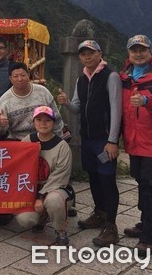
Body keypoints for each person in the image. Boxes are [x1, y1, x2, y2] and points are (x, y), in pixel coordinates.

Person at [57, 40, 122, 246]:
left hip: (104, 140)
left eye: (91, 53)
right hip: (87, 138)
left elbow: (116, 111)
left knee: (107, 180)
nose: (87, 57)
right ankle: (100, 213)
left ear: (99, 53)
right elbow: (76, 108)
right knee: (93, 177)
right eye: (83, 54)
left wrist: (113, 141)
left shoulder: (110, 76)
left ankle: (111, 226)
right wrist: (66, 102)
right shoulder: (81, 79)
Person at [119, 35, 152, 256]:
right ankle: (146, 222)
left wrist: (146, 100)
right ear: (129, 54)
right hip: (133, 142)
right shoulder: (124, 79)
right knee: (141, 182)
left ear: (150, 52)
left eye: (142, 50)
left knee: (150, 187)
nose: (138, 54)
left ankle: (150, 235)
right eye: (134, 50)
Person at [16, 106, 73, 246]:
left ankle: (61, 230)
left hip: (56, 189)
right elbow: (18, 165)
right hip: (32, 190)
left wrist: (40, 196)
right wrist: (32, 154)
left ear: (53, 123)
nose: (43, 123)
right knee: (25, 220)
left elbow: (60, 176)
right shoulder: (28, 140)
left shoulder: (62, 146)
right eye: (39, 119)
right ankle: (42, 218)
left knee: (53, 201)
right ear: (34, 122)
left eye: (48, 120)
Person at [0, 63, 64, 141]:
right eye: (16, 76)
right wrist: (0, 124)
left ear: (28, 75)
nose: (20, 79)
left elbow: (56, 117)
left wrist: (58, 140)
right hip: (18, 142)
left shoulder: (43, 92)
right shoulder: (4, 100)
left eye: (23, 75)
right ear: (10, 79)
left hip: (44, 138)